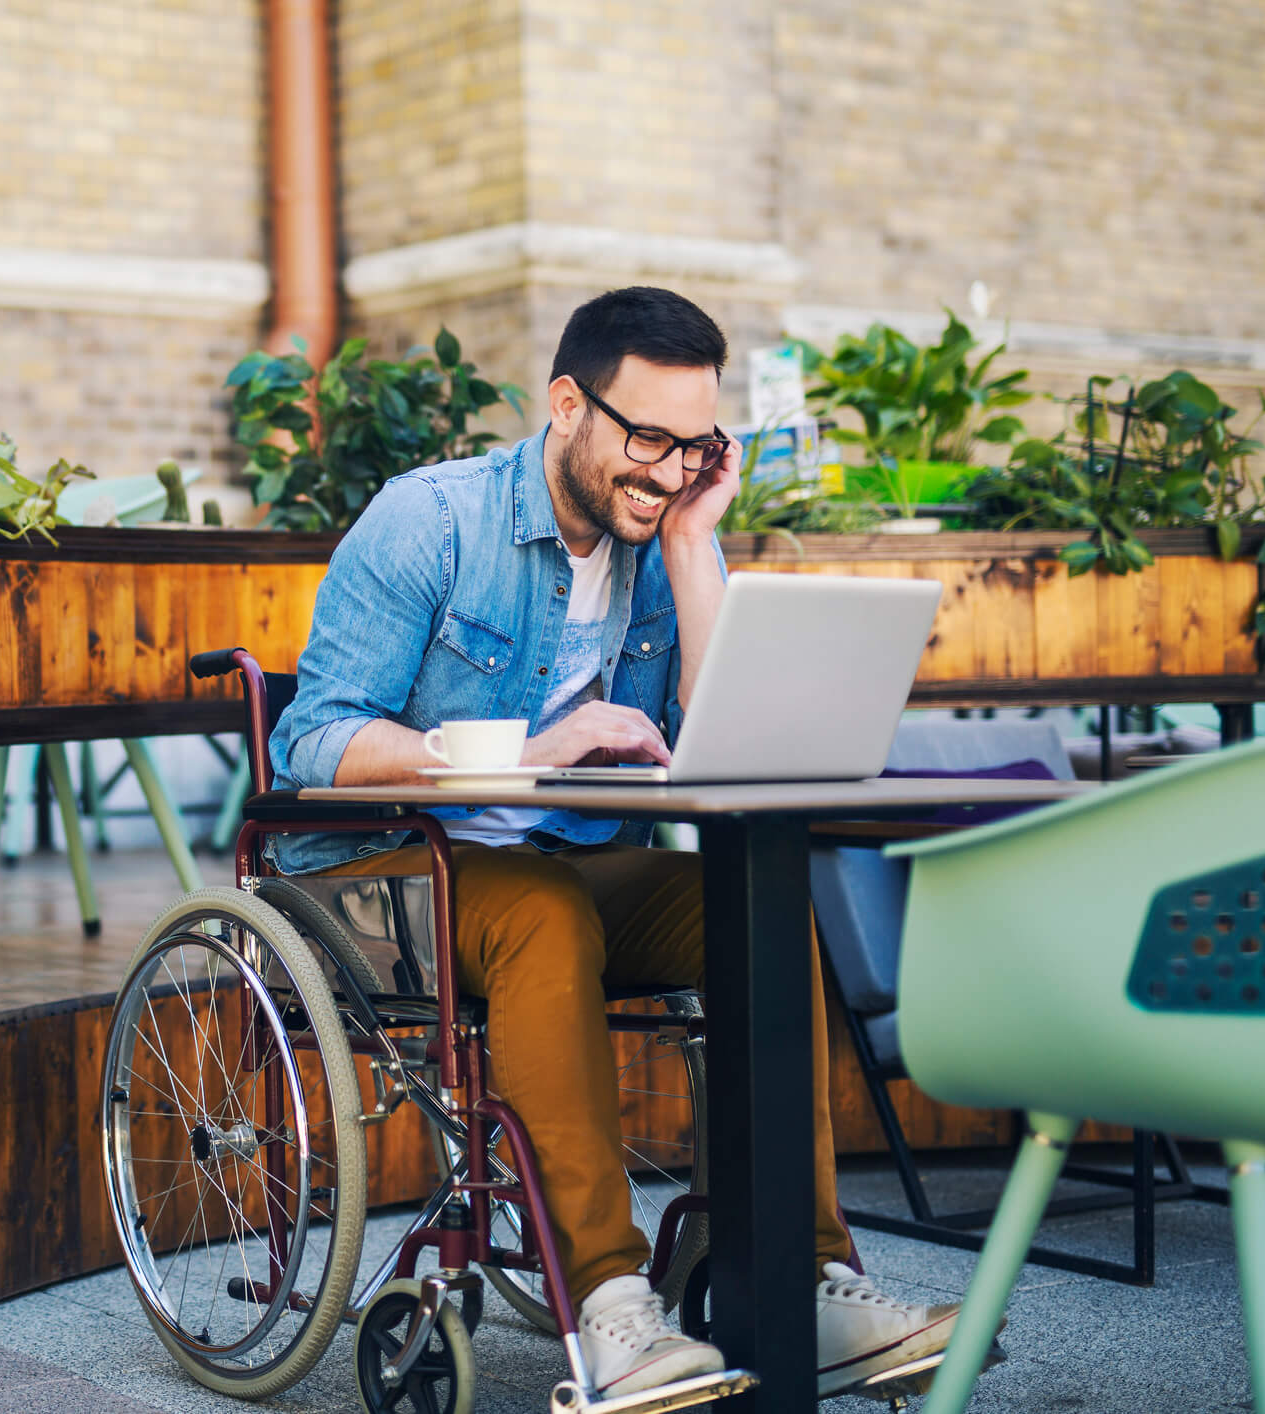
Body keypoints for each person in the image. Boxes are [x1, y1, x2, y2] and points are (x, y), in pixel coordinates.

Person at [268, 286, 960, 1399]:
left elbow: (716, 743)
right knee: (545, 911)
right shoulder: (431, 520)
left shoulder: (667, 529)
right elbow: (316, 738)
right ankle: (611, 1306)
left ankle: (805, 1278)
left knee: (752, 904)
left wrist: (696, 542)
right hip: (385, 874)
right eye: (647, 438)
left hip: (564, 863)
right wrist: (533, 745)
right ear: (564, 404)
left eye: (696, 446)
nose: (668, 467)